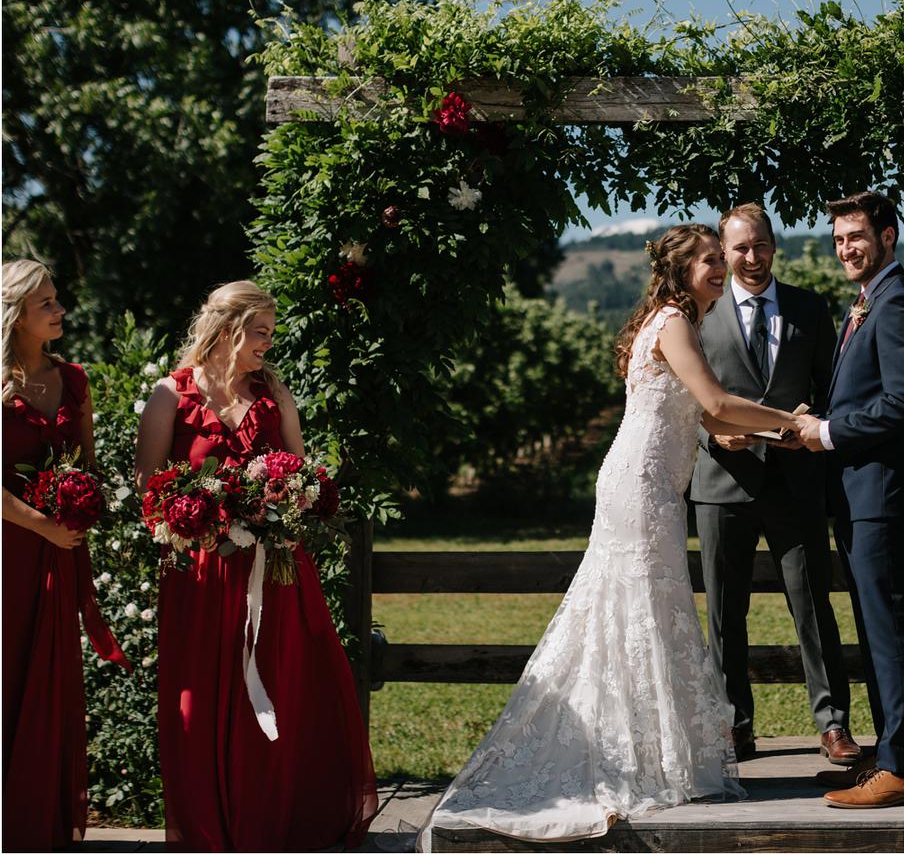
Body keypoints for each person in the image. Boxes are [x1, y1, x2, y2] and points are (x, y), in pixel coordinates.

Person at [419, 224, 805, 847]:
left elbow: (704, 416)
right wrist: (795, 420)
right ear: (681, 271)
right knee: (640, 611)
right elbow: (714, 397)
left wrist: (763, 434)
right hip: (642, 487)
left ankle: (648, 754)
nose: (718, 269)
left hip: (644, 482)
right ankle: (636, 760)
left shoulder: (673, 321)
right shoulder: (677, 322)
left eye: (718, 260)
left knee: (642, 611)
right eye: (708, 261)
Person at [134, 280, 377, 851]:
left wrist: (288, 503)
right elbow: (148, 490)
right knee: (201, 701)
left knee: (281, 690)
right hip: (202, 576)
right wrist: (204, 517)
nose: (268, 342)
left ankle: (273, 820)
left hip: (276, 573)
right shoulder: (170, 395)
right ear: (228, 329)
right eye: (260, 331)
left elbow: (303, 473)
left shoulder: (273, 391)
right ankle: (209, 830)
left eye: (271, 331)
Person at [689, 203, 858, 766]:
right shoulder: (699, 313)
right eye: (740, 248)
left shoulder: (810, 307)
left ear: (773, 245)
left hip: (796, 481)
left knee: (813, 606)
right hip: (721, 482)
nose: (752, 257)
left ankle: (833, 724)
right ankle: (734, 725)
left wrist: (813, 417)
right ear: (723, 250)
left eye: (760, 245)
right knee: (723, 613)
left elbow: (834, 390)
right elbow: (680, 404)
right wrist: (715, 437)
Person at [794, 191, 904, 809]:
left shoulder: (900, 302)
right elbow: (863, 398)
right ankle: (887, 758)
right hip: (859, 495)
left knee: (889, 632)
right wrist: (811, 418)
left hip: (880, 495)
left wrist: (824, 434)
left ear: (888, 236)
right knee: (876, 632)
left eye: (856, 236)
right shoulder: (870, 301)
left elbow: (902, 407)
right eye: (838, 239)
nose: (846, 248)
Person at [1, 259, 130, 849]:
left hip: (58, 554)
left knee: (49, 680)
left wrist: (82, 504)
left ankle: (39, 821)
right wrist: (40, 524)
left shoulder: (74, 379)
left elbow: (88, 464)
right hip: (11, 552)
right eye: (46, 303)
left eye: (57, 298)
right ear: (16, 315)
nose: (60, 310)